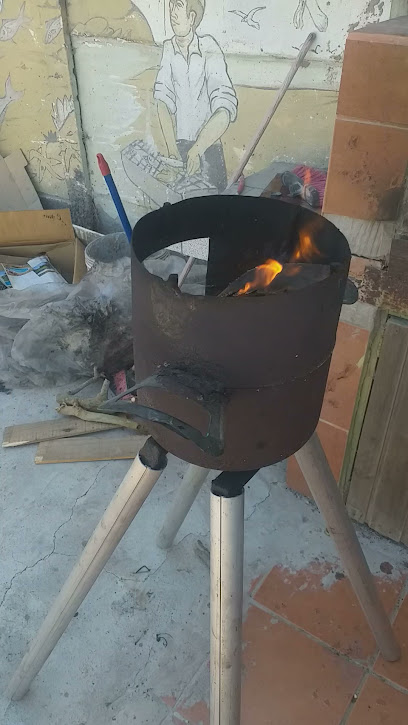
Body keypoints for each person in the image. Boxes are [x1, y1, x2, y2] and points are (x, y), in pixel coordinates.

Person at [154, 0, 237, 191]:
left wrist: (198, 149)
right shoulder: (168, 49)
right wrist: (173, 152)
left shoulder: (209, 47)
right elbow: (162, 101)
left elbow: (224, 109)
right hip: (180, 148)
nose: (172, 13)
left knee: (215, 208)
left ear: (192, 17)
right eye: (171, 5)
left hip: (208, 149)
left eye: (178, 5)